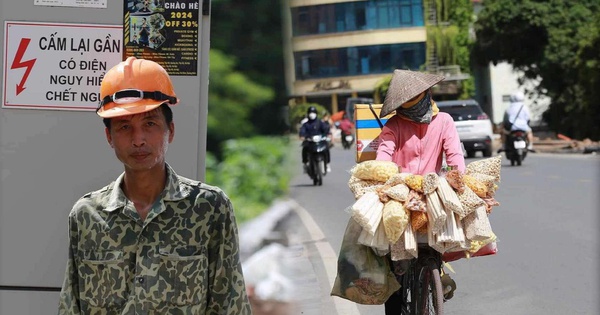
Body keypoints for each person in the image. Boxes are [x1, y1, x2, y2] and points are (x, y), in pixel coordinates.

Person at [57, 57, 252, 314]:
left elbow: (230, 306)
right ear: (109, 137)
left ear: (169, 130)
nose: (138, 139)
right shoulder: (87, 215)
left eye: (150, 124)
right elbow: (72, 307)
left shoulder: (209, 209)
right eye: (125, 127)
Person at [375, 69, 465, 314]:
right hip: (403, 196)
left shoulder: (443, 121)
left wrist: (459, 181)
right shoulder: (394, 126)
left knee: (429, 249)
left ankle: (435, 272)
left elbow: (455, 158)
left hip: (431, 194)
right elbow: (383, 157)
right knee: (395, 264)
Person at [299, 106, 331, 173]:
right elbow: (302, 131)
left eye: (313, 112)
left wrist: (328, 133)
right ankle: (305, 164)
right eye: (310, 112)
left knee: (326, 148)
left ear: (316, 113)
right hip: (310, 141)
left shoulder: (320, 123)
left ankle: (327, 164)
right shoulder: (306, 124)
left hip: (320, 141)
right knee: (304, 149)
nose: (312, 114)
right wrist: (302, 136)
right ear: (308, 114)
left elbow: (325, 129)